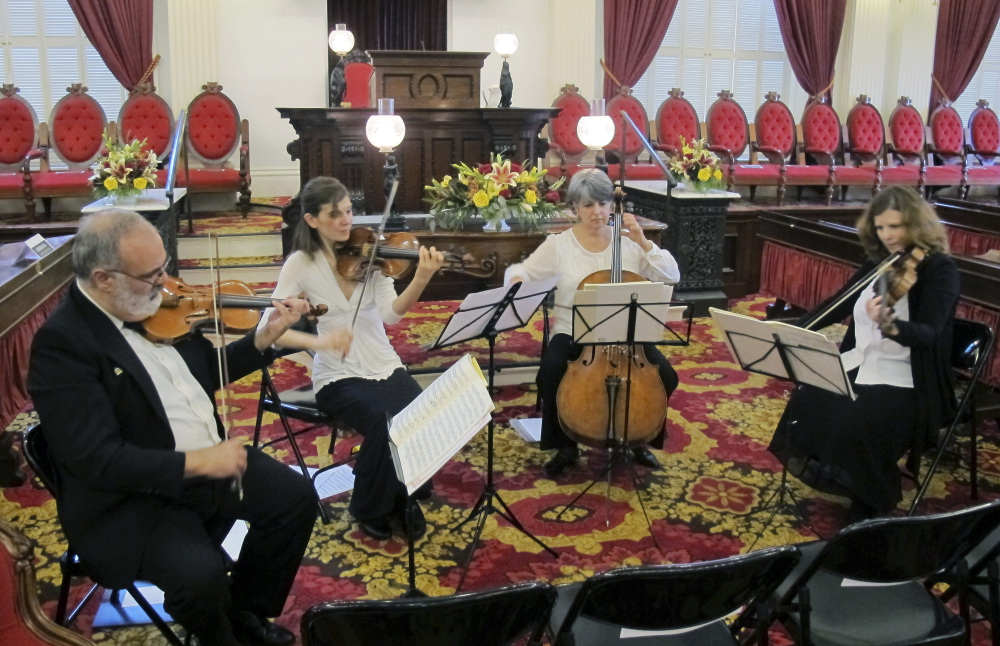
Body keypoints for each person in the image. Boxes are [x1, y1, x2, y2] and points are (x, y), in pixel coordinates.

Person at [27, 209, 319, 646]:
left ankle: (245, 612)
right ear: (104, 278)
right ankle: (218, 635)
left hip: (204, 463)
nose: (165, 284)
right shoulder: (62, 346)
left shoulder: (147, 308)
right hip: (132, 500)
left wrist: (263, 339)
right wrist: (197, 461)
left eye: (165, 268)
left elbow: (200, 370)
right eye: (151, 275)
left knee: (294, 499)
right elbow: (97, 460)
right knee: (201, 578)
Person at [260, 176, 444, 542]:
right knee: (382, 422)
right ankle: (370, 506)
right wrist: (323, 341)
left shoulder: (371, 251)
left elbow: (392, 314)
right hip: (337, 375)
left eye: (349, 211)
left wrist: (421, 277)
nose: (347, 220)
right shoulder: (301, 264)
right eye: (336, 214)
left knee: (421, 412)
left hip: (384, 361)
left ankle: (400, 496)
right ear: (312, 220)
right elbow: (270, 327)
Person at [768, 186, 960, 523]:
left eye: (896, 227)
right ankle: (841, 476)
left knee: (859, 420)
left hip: (910, 381)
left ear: (916, 224)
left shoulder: (939, 270)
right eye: (881, 228)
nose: (888, 235)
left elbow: (929, 334)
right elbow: (838, 303)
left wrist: (891, 324)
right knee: (808, 399)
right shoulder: (880, 261)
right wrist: (794, 329)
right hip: (862, 362)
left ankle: (874, 497)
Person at [505, 169, 681, 477]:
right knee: (550, 373)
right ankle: (566, 446)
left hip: (626, 334)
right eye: (587, 205)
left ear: (612, 205)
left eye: (602, 203)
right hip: (574, 331)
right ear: (574, 208)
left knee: (666, 375)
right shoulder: (559, 245)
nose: (597, 212)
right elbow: (523, 271)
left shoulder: (628, 243)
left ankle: (639, 437)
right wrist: (518, 280)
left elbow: (670, 276)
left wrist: (643, 241)